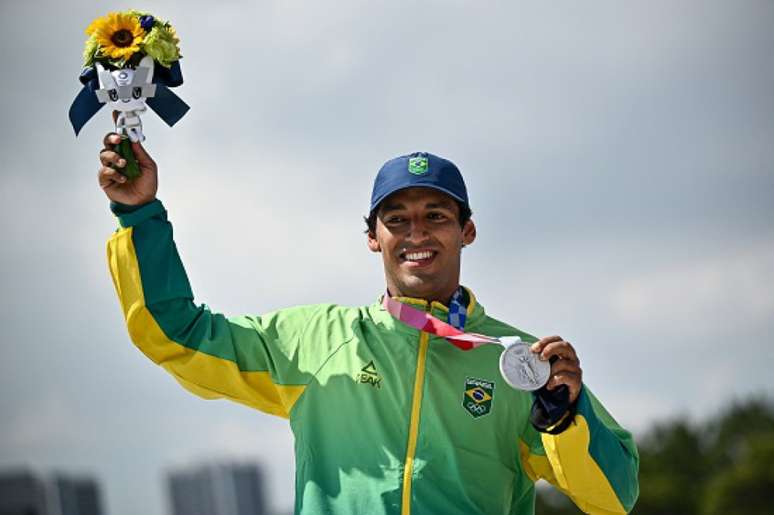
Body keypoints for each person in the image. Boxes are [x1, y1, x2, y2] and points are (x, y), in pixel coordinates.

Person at [97, 134, 639, 515]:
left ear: (468, 231)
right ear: (373, 237)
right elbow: (179, 336)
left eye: (436, 216)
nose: (416, 233)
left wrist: (563, 419)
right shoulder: (314, 341)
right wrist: (139, 214)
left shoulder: (522, 362)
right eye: (396, 219)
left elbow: (614, 498)